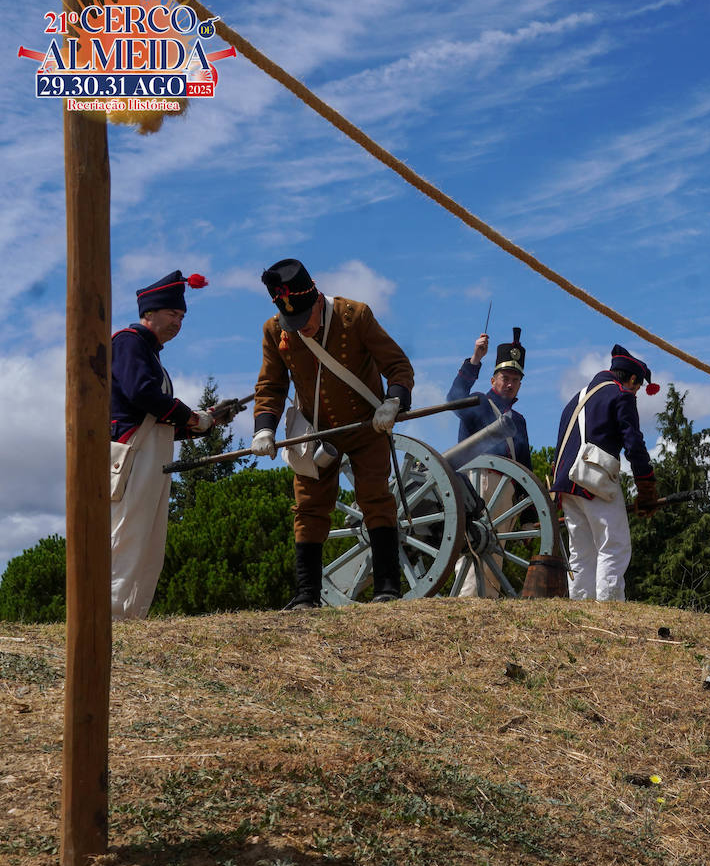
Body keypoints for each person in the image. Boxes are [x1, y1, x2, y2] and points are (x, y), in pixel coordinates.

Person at [250, 258, 414, 609]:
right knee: (308, 507)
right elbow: (270, 385)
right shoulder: (274, 330)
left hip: (366, 425)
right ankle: (306, 594)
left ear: (316, 300)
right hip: (315, 431)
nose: (299, 329)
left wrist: (393, 402)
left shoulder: (355, 316)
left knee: (375, 499)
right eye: (290, 322)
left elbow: (398, 366)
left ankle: (387, 587)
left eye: (303, 319)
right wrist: (264, 428)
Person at [110, 271, 221, 619]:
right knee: (127, 536)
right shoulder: (129, 341)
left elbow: (159, 421)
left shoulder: (148, 352)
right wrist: (191, 418)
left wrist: (203, 423)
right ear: (150, 313)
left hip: (149, 452)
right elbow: (142, 394)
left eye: (182, 317)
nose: (178, 322)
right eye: (173, 314)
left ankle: (130, 616)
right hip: (133, 453)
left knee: (148, 540)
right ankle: (109, 615)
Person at [551, 344, 659, 601]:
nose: (637, 391)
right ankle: (609, 609)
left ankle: (582, 608)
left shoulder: (574, 400)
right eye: (638, 386)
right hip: (593, 480)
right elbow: (634, 444)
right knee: (614, 545)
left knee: (582, 552)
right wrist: (646, 485)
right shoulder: (621, 395)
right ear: (632, 379)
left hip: (567, 484)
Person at [446, 327, 532, 597]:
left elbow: (525, 468)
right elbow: (453, 398)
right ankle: (468, 600)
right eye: (505, 378)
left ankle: (488, 601)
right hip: (478, 482)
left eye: (515, 380)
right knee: (475, 543)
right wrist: (475, 359)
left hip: (506, 490)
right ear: (494, 379)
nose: (509, 384)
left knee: (494, 551)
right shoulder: (479, 402)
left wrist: (529, 518)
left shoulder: (518, 421)